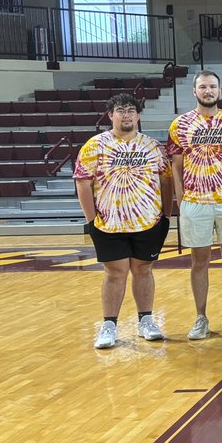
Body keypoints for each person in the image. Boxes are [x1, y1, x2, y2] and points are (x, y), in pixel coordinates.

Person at [75, 93, 173, 349]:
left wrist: (166, 214)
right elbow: (83, 182)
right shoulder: (95, 145)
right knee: (114, 272)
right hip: (109, 223)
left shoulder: (153, 146)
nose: (126, 115)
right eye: (121, 110)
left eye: (131, 111)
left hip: (148, 222)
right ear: (111, 115)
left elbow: (166, 180)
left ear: (138, 116)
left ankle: (146, 321)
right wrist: (91, 220)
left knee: (143, 270)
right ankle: (109, 325)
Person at [168, 70, 222, 340]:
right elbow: (176, 166)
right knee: (199, 261)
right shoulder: (180, 125)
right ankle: (200, 317)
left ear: (219, 91)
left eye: (213, 86)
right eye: (203, 87)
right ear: (194, 91)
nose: (208, 91)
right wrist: (181, 199)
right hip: (195, 202)